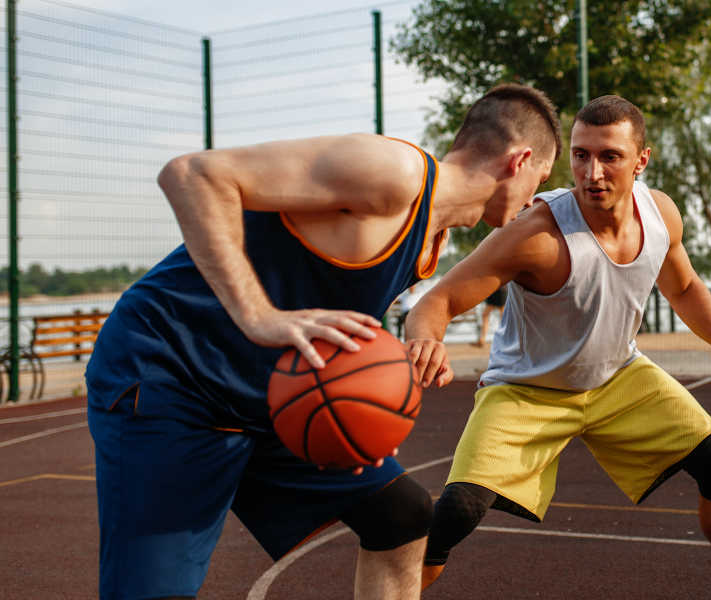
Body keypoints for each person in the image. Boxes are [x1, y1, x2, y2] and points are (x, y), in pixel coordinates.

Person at [84, 83, 561, 600]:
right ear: (521, 160)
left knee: (401, 517)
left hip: (263, 400)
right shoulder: (393, 173)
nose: (537, 198)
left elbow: (329, 324)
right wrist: (259, 316)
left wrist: (375, 409)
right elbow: (191, 175)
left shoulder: (430, 240)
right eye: (543, 178)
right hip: (169, 380)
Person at [405, 95, 711, 600]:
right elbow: (436, 300)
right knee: (456, 513)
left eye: (609, 156)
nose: (592, 172)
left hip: (618, 376)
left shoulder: (660, 216)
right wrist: (425, 341)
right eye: (580, 155)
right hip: (527, 391)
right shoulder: (536, 235)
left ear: (641, 160)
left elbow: (681, 287)